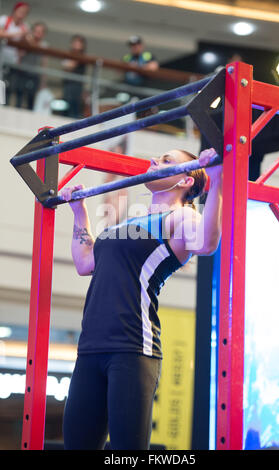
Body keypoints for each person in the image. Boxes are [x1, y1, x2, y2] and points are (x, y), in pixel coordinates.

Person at [61, 147, 223, 450]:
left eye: (166, 160)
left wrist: (217, 180)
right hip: (90, 348)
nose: (154, 161)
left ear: (186, 181)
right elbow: (85, 261)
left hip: (133, 347)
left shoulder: (181, 217)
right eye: (158, 158)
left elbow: (207, 242)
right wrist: (79, 211)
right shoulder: (122, 225)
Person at [0, 2, 30, 105]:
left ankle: (5, 105)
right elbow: (1, 34)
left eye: (25, 12)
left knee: (9, 87)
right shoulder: (5, 20)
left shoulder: (24, 27)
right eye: (21, 10)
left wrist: (24, 37)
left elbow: (27, 43)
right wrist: (19, 34)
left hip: (13, 62)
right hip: (1, 59)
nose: (22, 13)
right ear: (15, 10)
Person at [15, 21, 48, 110]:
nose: (38, 34)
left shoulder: (44, 45)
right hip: (22, 72)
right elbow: (19, 55)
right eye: (36, 31)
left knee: (31, 99)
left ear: (43, 34)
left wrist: (43, 81)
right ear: (33, 31)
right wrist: (27, 42)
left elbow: (44, 63)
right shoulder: (25, 41)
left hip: (34, 75)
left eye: (40, 32)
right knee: (19, 96)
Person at [61, 35, 87, 118]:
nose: (76, 44)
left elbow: (70, 66)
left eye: (78, 43)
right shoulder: (68, 54)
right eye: (75, 42)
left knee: (74, 109)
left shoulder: (83, 57)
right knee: (65, 106)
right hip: (67, 84)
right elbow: (66, 67)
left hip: (77, 86)